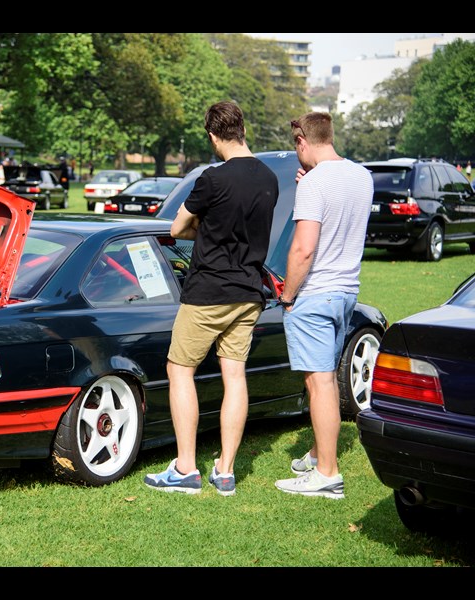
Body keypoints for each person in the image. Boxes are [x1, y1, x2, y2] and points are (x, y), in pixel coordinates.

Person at [143, 101, 278, 496]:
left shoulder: (211, 179)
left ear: (212, 136)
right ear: (244, 129)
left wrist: (204, 231)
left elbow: (177, 227)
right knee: (234, 375)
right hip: (250, 291)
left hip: (208, 291)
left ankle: (186, 469)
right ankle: (225, 470)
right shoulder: (270, 178)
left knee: (179, 369)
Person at [274, 112, 373, 500]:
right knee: (326, 377)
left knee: (319, 384)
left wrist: (287, 296)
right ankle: (318, 454)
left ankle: (327, 474)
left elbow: (303, 248)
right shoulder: (361, 176)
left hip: (315, 292)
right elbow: (341, 213)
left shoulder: (313, 182)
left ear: (302, 141)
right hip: (347, 291)